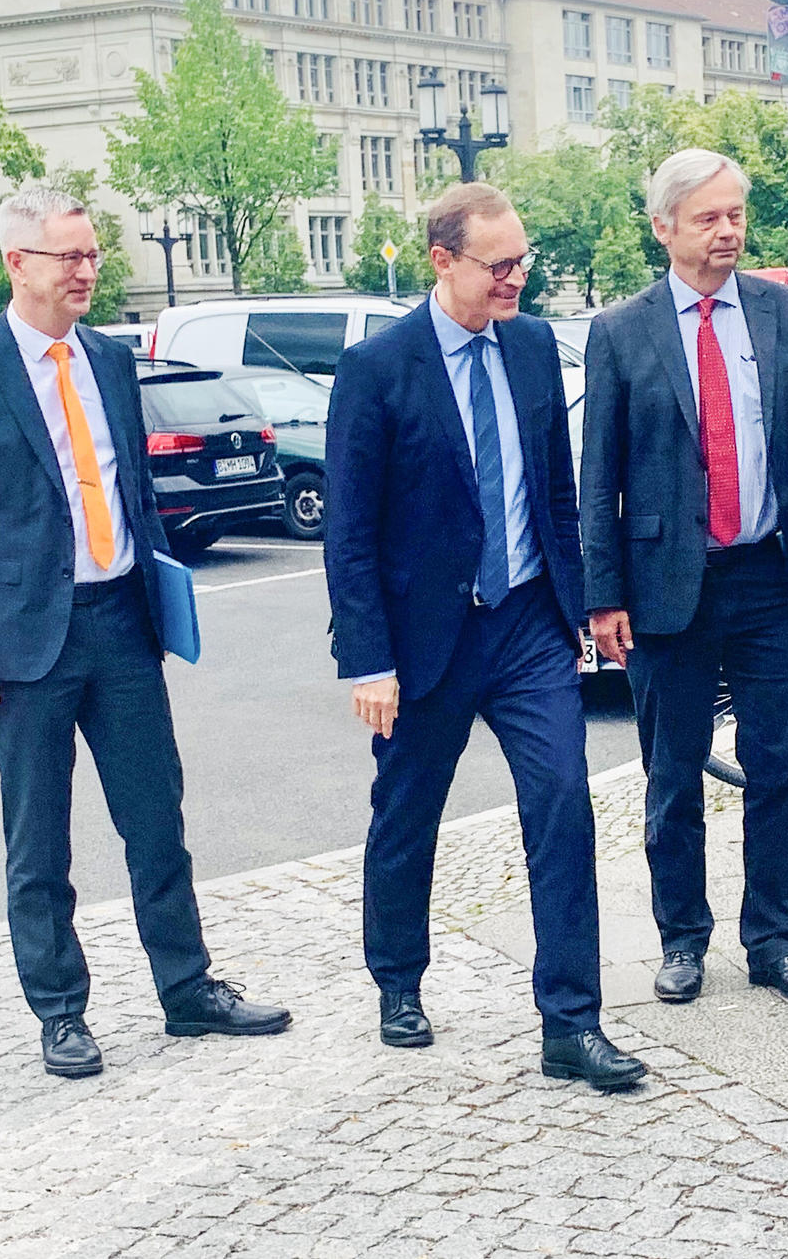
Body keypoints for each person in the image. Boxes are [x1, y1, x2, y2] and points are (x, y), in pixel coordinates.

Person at [0, 186, 289, 1079]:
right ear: (17, 264)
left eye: (91, 255)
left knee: (156, 816)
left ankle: (187, 987)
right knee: (39, 838)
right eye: (69, 257)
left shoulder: (111, 361)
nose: (87, 271)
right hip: (21, 641)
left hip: (121, 621)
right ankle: (61, 1010)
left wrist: (161, 591)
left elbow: (133, 494)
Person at [324, 183, 643, 1092]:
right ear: (442, 261)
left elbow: (554, 486)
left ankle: (570, 1022)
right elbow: (347, 529)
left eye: (523, 261)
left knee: (563, 801)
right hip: (426, 637)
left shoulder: (536, 346)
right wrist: (368, 659)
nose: (517, 279)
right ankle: (398, 980)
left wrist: (587, 604)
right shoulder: (380, 369)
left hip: (527, 626)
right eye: (499, 265)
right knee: (407, 813)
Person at [582, 149, 788, 1009]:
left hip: (774, 575)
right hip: (667, 585)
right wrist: (603, 594)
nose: (729, 230)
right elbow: (598, 476)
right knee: (673, 771)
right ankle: (681, 937)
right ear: (664, 228)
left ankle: (777, 936)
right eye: (708, 217)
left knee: (782, 766)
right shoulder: (622, 331)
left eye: (736, 214)